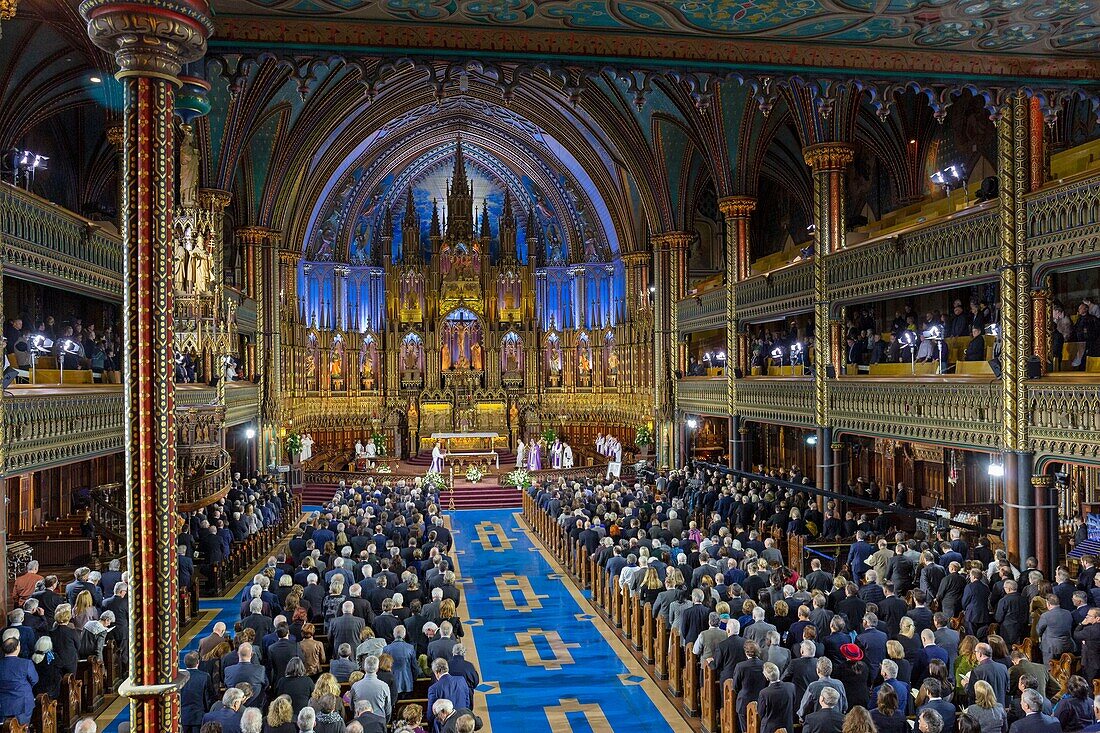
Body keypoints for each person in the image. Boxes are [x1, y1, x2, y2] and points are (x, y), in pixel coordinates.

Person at [0, 636, 37, 725]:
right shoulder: (26, 663)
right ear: (17, 648)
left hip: (3, 704)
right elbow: (34, 680)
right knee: (23, 728)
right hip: (23, 704)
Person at [758, 661, 795, 733]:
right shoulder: (791, 687)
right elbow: (793, 703)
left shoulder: (764, 693)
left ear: (767, 677)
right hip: (787, 726)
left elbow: (760, 713)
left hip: (770, 729)